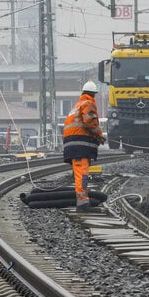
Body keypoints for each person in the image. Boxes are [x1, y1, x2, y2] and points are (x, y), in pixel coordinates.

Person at [63, 81, 105, 211]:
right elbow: (90, 121)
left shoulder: (77, 105)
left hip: (73, 144)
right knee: (82, 173)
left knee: (79, 173)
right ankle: (82, 203)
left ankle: (82, 201)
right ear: (93, 94)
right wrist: (99, 135)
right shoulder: (88, 103)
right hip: (80, 145)